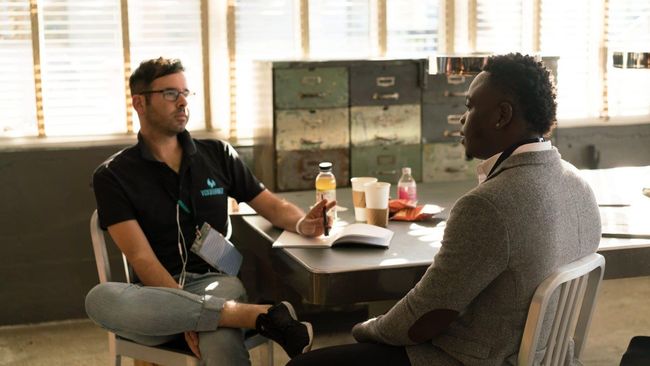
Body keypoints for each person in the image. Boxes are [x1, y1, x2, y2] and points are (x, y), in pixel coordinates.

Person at [287, 53, 602, 366]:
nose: (462, 119)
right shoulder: (579, 184)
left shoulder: (488, 204)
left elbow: (425, 318)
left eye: (470, 106)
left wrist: (365, 329)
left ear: (502, 115)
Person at [84, 57, 336, 365]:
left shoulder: (217, 154)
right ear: (139, 102)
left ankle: (227, 316)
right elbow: (141, 259)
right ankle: (263, 316)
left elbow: (269, 204)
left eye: (185, 93)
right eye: (170, 94)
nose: (182, 102)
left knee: (217, 331)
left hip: (217, 282)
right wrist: (188, 313)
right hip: (155, 298)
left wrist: (303, 223)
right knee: (100, 299)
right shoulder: (113, 175)